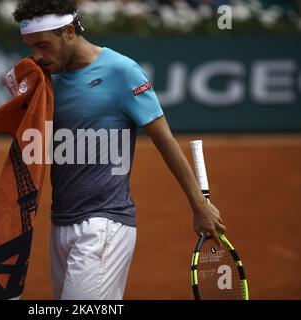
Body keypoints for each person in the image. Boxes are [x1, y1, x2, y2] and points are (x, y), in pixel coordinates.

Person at [12, 0, 226, 300]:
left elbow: (164, 140)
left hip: (105, 224)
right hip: (60, 222)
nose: (37, 56)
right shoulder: (46, 78)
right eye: (30, 47)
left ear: (69, 32)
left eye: (43, 45)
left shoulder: (122, 71)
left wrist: (198, 205)